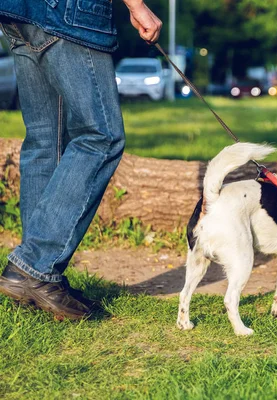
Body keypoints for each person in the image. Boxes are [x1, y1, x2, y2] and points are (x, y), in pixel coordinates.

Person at [0, 1, 162, 319]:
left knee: (46, 141)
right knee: (101, 137)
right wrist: (137, 5)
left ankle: (39, 277)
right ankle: (34, 264)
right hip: (70, 11)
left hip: (19, 11)